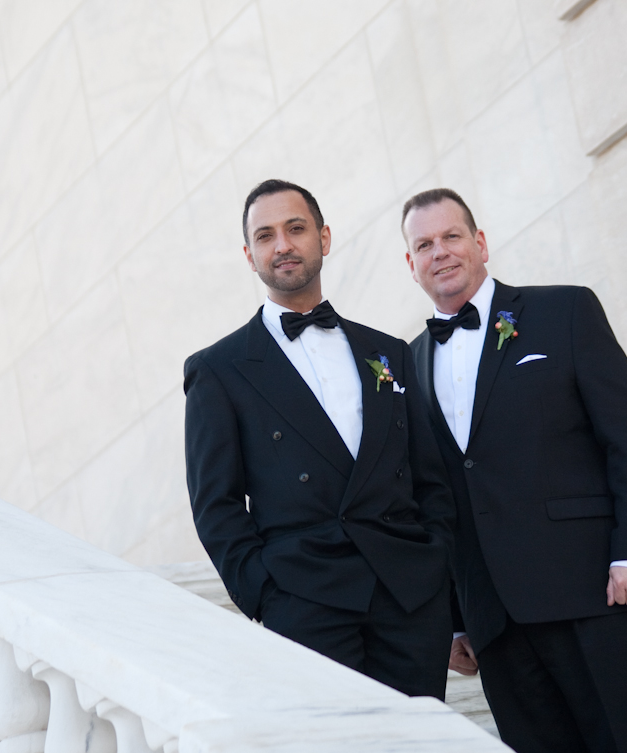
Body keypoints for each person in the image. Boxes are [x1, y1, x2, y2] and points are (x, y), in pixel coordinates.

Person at [402, 188, 627, 752]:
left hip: (594, 589)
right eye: (424, 244)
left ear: (480, 243)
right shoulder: (408, 364)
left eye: (451, 236)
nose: (440, 252)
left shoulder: (565, 311)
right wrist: (452, 617)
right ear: (411, 264)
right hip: (494, 621)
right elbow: (434, 498)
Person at [184, 179, 456, 699]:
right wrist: (266, 594)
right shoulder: (218, 370)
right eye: (265, 236)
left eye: (295, 228)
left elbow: (430, 478)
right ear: (250, 255)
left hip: (408, 598)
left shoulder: (390, 353)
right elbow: (215, 504)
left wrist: (435, 565)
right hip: (304, 599)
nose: (282, 245)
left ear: (324, 239)